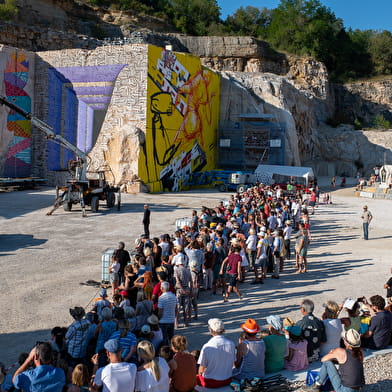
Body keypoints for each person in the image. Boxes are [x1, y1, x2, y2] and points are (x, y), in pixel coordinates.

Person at [197, 318, 236, 388]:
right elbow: (233, 362)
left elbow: (201, 370)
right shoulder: (231, 344)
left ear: (211, 330)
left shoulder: (207, 346)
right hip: (227, 379)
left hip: (211, 382)